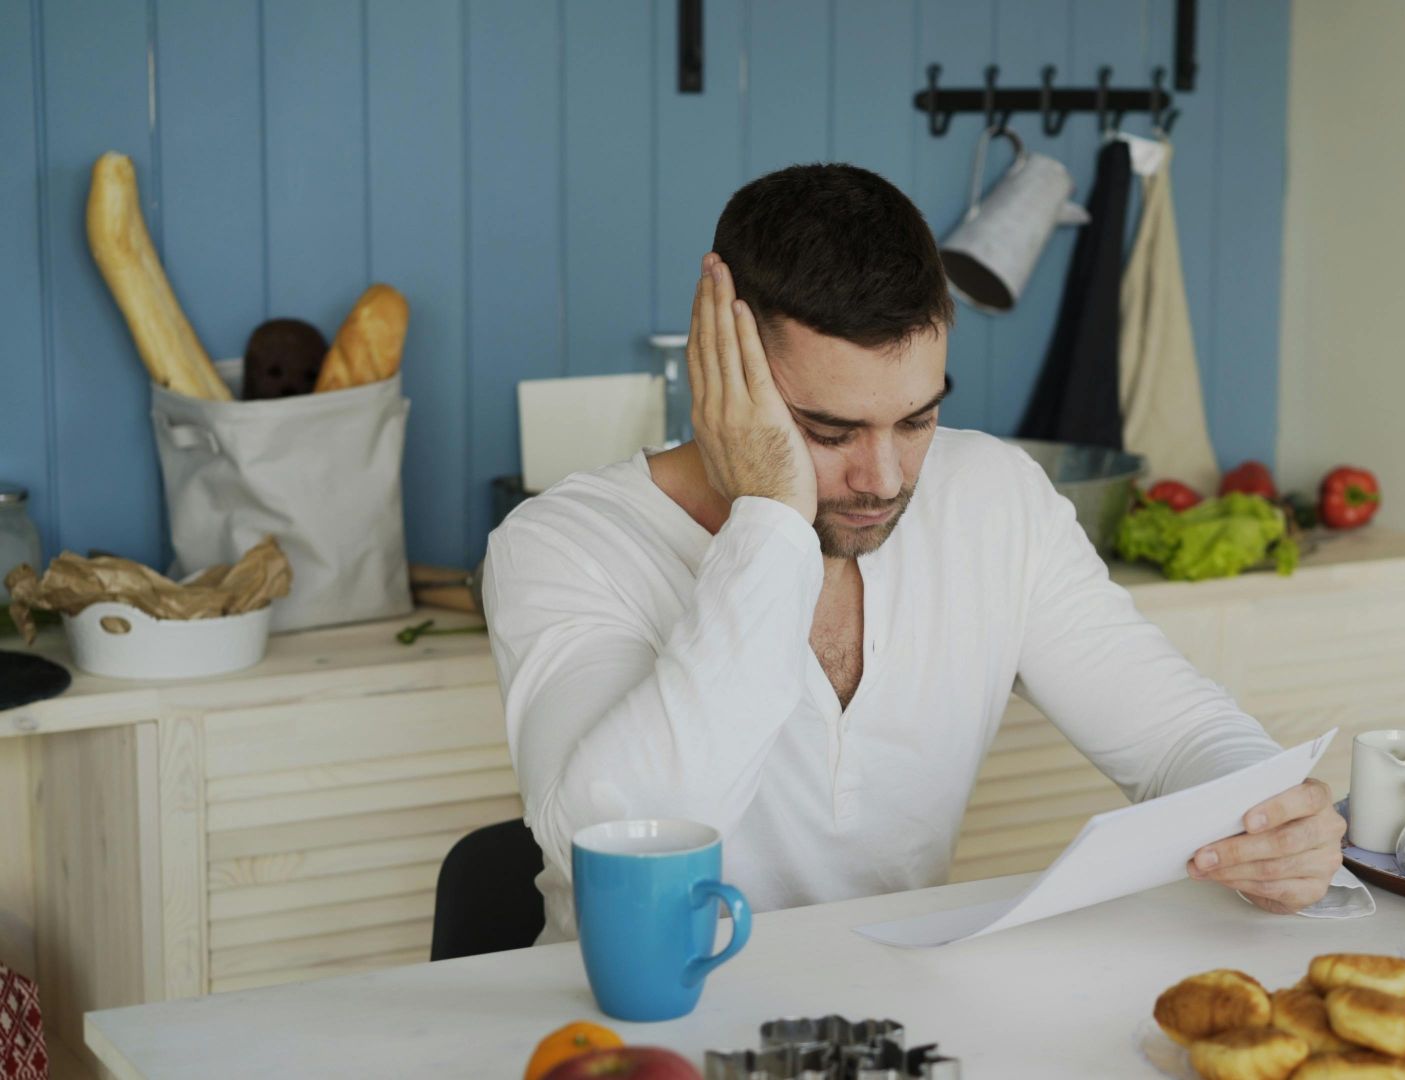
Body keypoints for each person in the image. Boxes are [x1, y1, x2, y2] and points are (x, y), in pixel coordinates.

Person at [483, 163, 1342, 943]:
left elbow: (1175, 736)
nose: (883, 477)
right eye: (828, 430)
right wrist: (770, 519)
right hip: (636, 1035)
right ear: (723, 377)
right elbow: (618, 840)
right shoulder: (562, 545)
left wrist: (1268, 812)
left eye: (918, 419)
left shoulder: (995, 498)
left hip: (893, 1025)